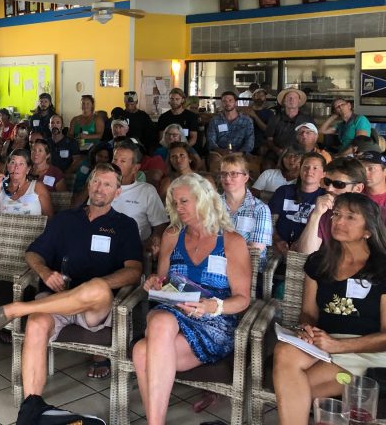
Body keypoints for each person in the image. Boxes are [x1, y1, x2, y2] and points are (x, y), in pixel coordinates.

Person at [0, 163, 143, 418]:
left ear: (117, 192)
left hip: (96, 307)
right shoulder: (66, 219)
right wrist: (44, 272)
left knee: (96, 287)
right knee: (36, 324)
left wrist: (99, 285)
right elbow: (33, 253)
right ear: (88, 185)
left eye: (108, 184)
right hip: (55, 300)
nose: (100, 188)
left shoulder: (124, 225)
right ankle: (30, 406)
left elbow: (134, 270)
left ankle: (18, 309)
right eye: (96, 182)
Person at [133, 174, 252, 425]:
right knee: (159, 324)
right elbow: (164, 282)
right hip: (172, 314)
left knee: (142, 351)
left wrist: (214, 306)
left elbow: (242, 299)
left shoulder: (231, 242)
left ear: (204, 200)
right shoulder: (172, 235)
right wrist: (155, 281)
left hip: (213, 322)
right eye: (175, 203)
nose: (179, 208)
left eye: (185, 201)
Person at [273, 193, 386, 425]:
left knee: (295, 387)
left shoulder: (382, 268)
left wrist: (339, 346)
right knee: (284, 351)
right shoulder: (319, 261)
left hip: (364, 348)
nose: (338, 221)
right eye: (336, 214)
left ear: (368, 230)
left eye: (350, 217)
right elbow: (309, 312)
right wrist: (306, 326)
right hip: (323, 342)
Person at [293, 157, 367, 254]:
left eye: (339, 184)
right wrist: (316, 215)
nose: (329, 189)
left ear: (357, 188)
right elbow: (306, 252)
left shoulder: (373, 214)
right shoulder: (323, 211)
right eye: (327, 182)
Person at [111, 141, 169, 249]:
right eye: (114, 159)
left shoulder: (147, 191)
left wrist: (154, 240)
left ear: (135, 168)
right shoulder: (101, 187)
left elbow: (160, 226)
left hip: (133, 249)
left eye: (122, 161)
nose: (115, 164)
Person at [219, 153, 273, 270]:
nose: (227, 178)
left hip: (247, 267)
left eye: (234, 174)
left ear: (246, 177)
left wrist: (219, 249)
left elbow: (256, 250)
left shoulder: (260, 209)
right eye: (224, 174)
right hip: (215, 262)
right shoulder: (212, 205)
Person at [269, 152, 326, 255]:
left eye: (315, 168)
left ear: (323, 174)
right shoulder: (284, 191)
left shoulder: (324, 197)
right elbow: (270, 222)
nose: (309, 171)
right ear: (300, 170)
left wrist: (300, 243)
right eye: (306, 167)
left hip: (308, 250)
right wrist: (277, 240)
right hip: (278, 246)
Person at [0, 148, 54, 217]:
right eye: (13, 162)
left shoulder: (38, 187)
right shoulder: (0, 186)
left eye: (21, 164)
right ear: (8, 166)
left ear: (28, 169)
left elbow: (50, 218)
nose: (16, 167)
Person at [261, 89, 314, 170]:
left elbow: (312, 140)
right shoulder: (275, 118)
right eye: (289, 98)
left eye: (295, 98)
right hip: (277, 151)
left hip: (300, 153)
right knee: (267, 165)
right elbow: (269, 140)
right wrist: (278, 150)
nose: (292, 100)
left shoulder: (307, 119)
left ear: (299, 101)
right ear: (284, 102)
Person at [207, 91, 255, 171]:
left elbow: (250, 142)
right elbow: (211, 140)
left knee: (251, 164)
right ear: (222, 103)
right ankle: (216, 182)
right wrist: (221, 151)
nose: (227, 103)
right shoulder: (215, 120)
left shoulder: (247, 120)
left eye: (230, 100)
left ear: (235, 102)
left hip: (241, 152)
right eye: (224, 101)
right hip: (220, 152)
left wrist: (239, 153)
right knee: (214, 161)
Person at [240, 87, 274, 156]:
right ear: (253, 97)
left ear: (265, 98)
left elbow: (267, 130)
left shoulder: (269, 113)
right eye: (257, 95)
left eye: (262, 96)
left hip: (260, 142)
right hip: (245, 141)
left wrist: (255, 116)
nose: (260, 98)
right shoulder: (245, 110)